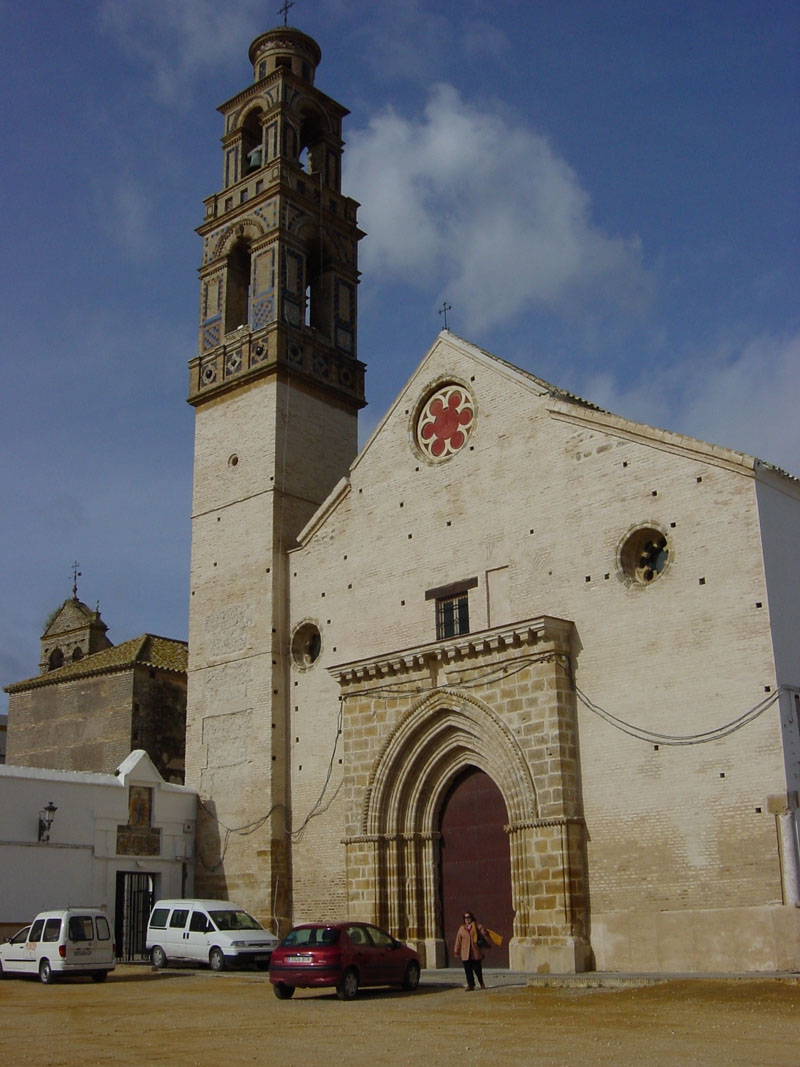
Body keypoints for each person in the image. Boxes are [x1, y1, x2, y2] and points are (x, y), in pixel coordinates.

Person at [453, 910, 489, 990]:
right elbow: (458, 940)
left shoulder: (477, 927)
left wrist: (486, 945)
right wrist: (456, 950)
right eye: (465, 918)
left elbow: (484, 936)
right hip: (465, 953)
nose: (467, 919)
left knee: (477, 969)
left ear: (472, 918)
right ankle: (470, 985)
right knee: (468, 971)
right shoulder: (462, 929)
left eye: (468, 917)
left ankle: (481, 983)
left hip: (475, 952)